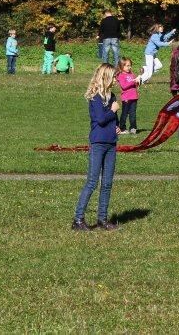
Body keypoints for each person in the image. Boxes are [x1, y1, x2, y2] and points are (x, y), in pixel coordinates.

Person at [72, 63, 120, 231]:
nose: (116, 80)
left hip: (111, 143)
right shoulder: (96, 98)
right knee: (92, 182)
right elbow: (100, 119)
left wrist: (117, 126)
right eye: (114, 76)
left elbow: (113, 120)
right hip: (98, 143)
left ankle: (102, 219)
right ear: (106, 77)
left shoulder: (112, 96)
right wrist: (113, 111)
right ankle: (78, 219)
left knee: (107, 183)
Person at [116, 58, 139, 134]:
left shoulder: (131, 74)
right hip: (126, 98)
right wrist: (133, 82)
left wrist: (138, 81)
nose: (129, 67)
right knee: (125, 113)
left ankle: (133, 127)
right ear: (122, 66)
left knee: (133, 113)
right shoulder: (121, 75)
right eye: (127, 66)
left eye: (130, 65)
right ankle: (122, 127)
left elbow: (135, 85)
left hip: (134, 97)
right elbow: (124, 86)